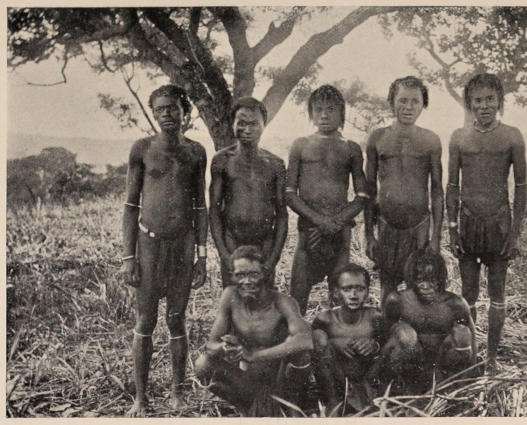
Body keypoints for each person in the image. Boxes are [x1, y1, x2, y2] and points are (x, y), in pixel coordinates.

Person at [120, 84, 208, 416]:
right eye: (160, 109)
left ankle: (177, 394)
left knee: (176, 319)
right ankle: (140, 398)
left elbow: (200, 207)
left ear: (185, 111)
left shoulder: (196, 151)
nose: (166, 114)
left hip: (183, 246)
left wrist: (202, 255)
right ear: (154, 114)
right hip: (148, 245)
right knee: (145, 319)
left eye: (173, 107)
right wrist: (129, 257)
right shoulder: (142, 149)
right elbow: (131, 206)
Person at [446, 73, 527, 372]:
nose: (484, 106)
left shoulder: (512, 136)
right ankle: (471, 356)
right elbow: (452, 186)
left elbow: (521, 187)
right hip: (468, 224)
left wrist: (515, 233)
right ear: (469, 103)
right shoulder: (459, 137)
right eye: (478, 100)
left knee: (497, 293)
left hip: (499, 225)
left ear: (500, 101)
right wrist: (452, 229)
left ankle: (491, 359)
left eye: (490, 99)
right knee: (468, 294)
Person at [194, 245, 314, 417]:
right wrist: (225, 348)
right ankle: (251, 407)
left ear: (265, 274)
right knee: (203, 364)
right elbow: (211, 345)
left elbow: (306, 340)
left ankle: (291, 409)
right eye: (240, 275)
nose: (247, 281)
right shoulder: (230, 296)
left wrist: (254, 355)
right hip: (249, 384)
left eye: (253, 274)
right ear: (232, 276)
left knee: (301, 353)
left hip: (281, 384)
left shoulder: (283, 302)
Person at [286, 85, 368, 315]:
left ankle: (336, 336)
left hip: (340, 235)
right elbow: (289, 193)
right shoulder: (301, 145)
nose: (324, 115)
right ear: (310, 113)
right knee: (297, 299)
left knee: (340, 298)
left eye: (330, 109)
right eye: (318, 109)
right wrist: (319, 221)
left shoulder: (351, 148)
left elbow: (362, 196)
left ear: (342, 113)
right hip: (308, 232)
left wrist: (337, 221)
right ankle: (298, 337)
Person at [364, 76, 443, 305]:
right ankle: (387, 327)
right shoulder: (378, 138)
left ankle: (413, 328)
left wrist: (436, 237)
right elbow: (369, 190)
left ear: (423, 104)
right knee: (387, 286)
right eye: (403, 100)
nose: (409, 107)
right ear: (392, 102)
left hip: (419, 226)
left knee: (417, 287)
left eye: (415, 101)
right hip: (387, 224)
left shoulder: (430, 140)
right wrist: (369, 235)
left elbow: (437, 190)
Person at [209, 97, 287, 288]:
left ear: (263, 125)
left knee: (264, 298)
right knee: (233, 297)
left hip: (264, 243)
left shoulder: (275, 164)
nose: (247, 129)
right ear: (232, 124)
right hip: (232, 241)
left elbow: (282, 214)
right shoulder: (222, 161)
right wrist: (224, 254)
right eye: (242, 123)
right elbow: (214, 210)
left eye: (254, 124)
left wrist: (273, 258)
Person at [378, 248, 477, 393]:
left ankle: (452, 385)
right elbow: (385, 336)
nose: (426, 286)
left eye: (432, 280)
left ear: (441, 279)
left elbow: (472, 339)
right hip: (411, 362)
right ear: (411, 279)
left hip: (441, 361)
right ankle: (404, 387)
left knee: (462, 333)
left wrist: (470, 373)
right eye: (420, 280)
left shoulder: (455, 303)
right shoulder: (398, 300)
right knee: (405, 333)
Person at [311, 263, 382, 412]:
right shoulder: (326, 319)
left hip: (367, 378)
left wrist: (374, 345)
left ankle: (375, 396)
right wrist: (334, 342)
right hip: (338, 379)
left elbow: (387, 343)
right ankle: (333, 401)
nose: (354, 295)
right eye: (347, 289)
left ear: (368, 292)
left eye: (360, 289)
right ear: (336, 293)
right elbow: (314, 348)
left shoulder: (375, 316)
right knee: (319, 338)